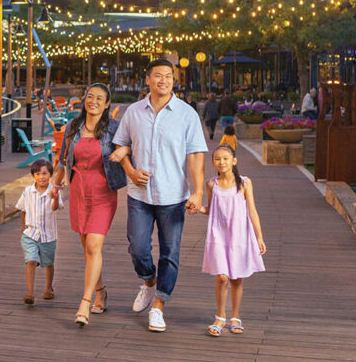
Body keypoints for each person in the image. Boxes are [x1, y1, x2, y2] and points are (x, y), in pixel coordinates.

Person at [114, 59, 207, 332]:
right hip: (139, 194)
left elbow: (195, 156)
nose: (163, 80)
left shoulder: (187, 114)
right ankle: (148, 280)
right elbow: (121, 146)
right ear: (148, 79)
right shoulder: (133, 112)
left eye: (168, 76)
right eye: (158, 75)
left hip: (173, 196)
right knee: (138, 247)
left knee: (170, 253)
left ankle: (159, 306)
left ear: (173, 80)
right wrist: (131, 172)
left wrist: (198, 192)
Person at [52, 83, 126, 327]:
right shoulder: (73, 126)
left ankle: (85, 302)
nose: (93, 101)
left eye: (99, 98)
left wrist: (125, 149)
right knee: (88, 248)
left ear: (107, 104)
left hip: (103, 192)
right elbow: (63, 160)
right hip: (78, 191)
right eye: (90, 96)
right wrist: (55, 187)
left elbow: (133, 146)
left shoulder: (114, 127)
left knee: (94, 245)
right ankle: (101, 292)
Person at [199, 144, 266, 336]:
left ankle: (235, 316)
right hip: (218, 235)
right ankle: (220, 316)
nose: (222, 162)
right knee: (222, 277)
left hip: (239, 235)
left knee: (236, 278)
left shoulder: (244, 183)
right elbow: (211, 209)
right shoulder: (212, 185)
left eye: (226, 158)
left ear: (234, 161)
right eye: (217, 159)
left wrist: (259, 236)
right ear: (213, 162)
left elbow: (252, 210)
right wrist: (198, 208)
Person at [16, 158, 63, 305]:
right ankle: (30, 293)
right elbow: (23, 209)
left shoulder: (53, 191)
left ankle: (49, 288)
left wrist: (55, 198)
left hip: (48, 235)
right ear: (33, 176)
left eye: (44, 173)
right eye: (38, 174)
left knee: (49, 262)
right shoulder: (27, 191)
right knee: (31, 261)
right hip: (30, 234)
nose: (41, 177)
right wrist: (23, 227)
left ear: (50, 175)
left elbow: (55, 208)